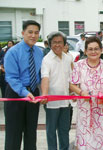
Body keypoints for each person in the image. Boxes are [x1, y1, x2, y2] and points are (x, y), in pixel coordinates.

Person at [69, 36, 103, 150]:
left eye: (96, 49)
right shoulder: (79, 65)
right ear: (85, 51)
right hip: (85, 109)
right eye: (90, 49)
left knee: (101, 140)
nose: (93, 52)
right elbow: (71, 84)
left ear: (101, 50)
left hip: (102, 109)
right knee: (85, 140)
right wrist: (81, 92)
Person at [4, 20, 43, 150]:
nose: (33, 35)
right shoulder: (13, 52)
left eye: (36, 32)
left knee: (31, 132)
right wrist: (25, 93)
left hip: (33, 94)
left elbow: (39, 75)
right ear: (23, 33)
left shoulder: (39, 52)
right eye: (30, 32)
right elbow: (11, 78)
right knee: (14, 133)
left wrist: (41, 92)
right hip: (15, 94)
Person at [40, 31, 72, 150]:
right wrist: (44, 94)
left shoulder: (68, 58)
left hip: (66, 102)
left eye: (60, 42)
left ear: (64, 44)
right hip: (51, 102)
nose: (57, 45)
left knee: (64, 130)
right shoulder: (46, 60)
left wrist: (75, 92)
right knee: (51, 130)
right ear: (50, 44)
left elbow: (72, 78)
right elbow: (45, 78)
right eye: (54, 42)